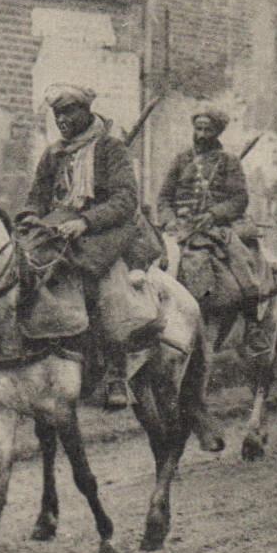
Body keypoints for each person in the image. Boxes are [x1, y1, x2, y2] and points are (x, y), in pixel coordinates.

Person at [21, 84, 161, 408]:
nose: (62, 119)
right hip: (57, 227)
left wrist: (85, 221)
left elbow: (125, 201)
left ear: (86, 111)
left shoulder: (111, 149)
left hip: (103, 231)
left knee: (100, 286)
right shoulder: (53, 153)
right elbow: (36, 198)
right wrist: (28, 217)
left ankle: (115, 373)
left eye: (69, 111)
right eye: (57, 114)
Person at [156, 106, 276, 353]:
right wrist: (168, 219)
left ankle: (253, 324)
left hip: (215, 229)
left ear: (217, 132)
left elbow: (239, 199)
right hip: (178, 229)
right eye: (197, 129)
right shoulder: (182, 159)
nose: (200, 135)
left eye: (206, 130)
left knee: (243, 266)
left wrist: (213, 214)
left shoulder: (228, 162)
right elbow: (164, 197)